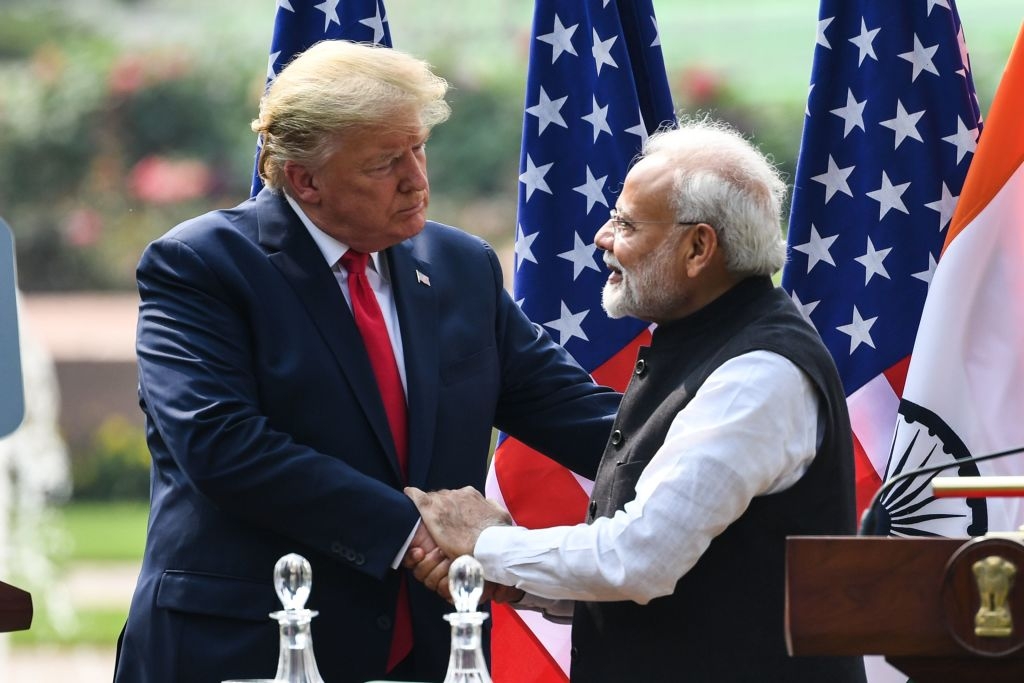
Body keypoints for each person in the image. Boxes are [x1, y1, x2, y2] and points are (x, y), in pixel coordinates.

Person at [113, 40, 619, 683]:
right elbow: (222, 444)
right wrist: (415, 533)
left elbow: (571, 411)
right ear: (305, 179)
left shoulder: (461, 267)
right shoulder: (202, 266)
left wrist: (715, 452)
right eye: (385, 163)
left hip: (432, 653)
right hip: (249, 648)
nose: (417, 178)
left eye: (419, 148)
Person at [406, 119, 868, 682]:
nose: (602, 238)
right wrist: (516, 576)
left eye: (625, 223)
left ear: (699, 247)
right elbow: (692, 580)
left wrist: (486, 541)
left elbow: (639, 560)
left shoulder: (755, 375)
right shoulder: (705, 345)